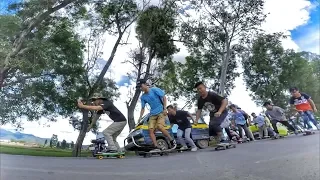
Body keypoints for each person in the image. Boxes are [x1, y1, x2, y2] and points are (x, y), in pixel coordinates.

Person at [137, 79, 176, 151]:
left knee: (160, 126)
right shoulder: (143, 97)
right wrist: (140, 117)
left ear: (145, 84)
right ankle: (156, 146)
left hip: (161, 112)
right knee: (150, 130)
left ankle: (171, 140)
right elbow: (142, 108)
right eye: (139, 87)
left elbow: (164, 97)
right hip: (152, 114)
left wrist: (165, 108)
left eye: (141, 86)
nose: (140, 88)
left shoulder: (154, 90)